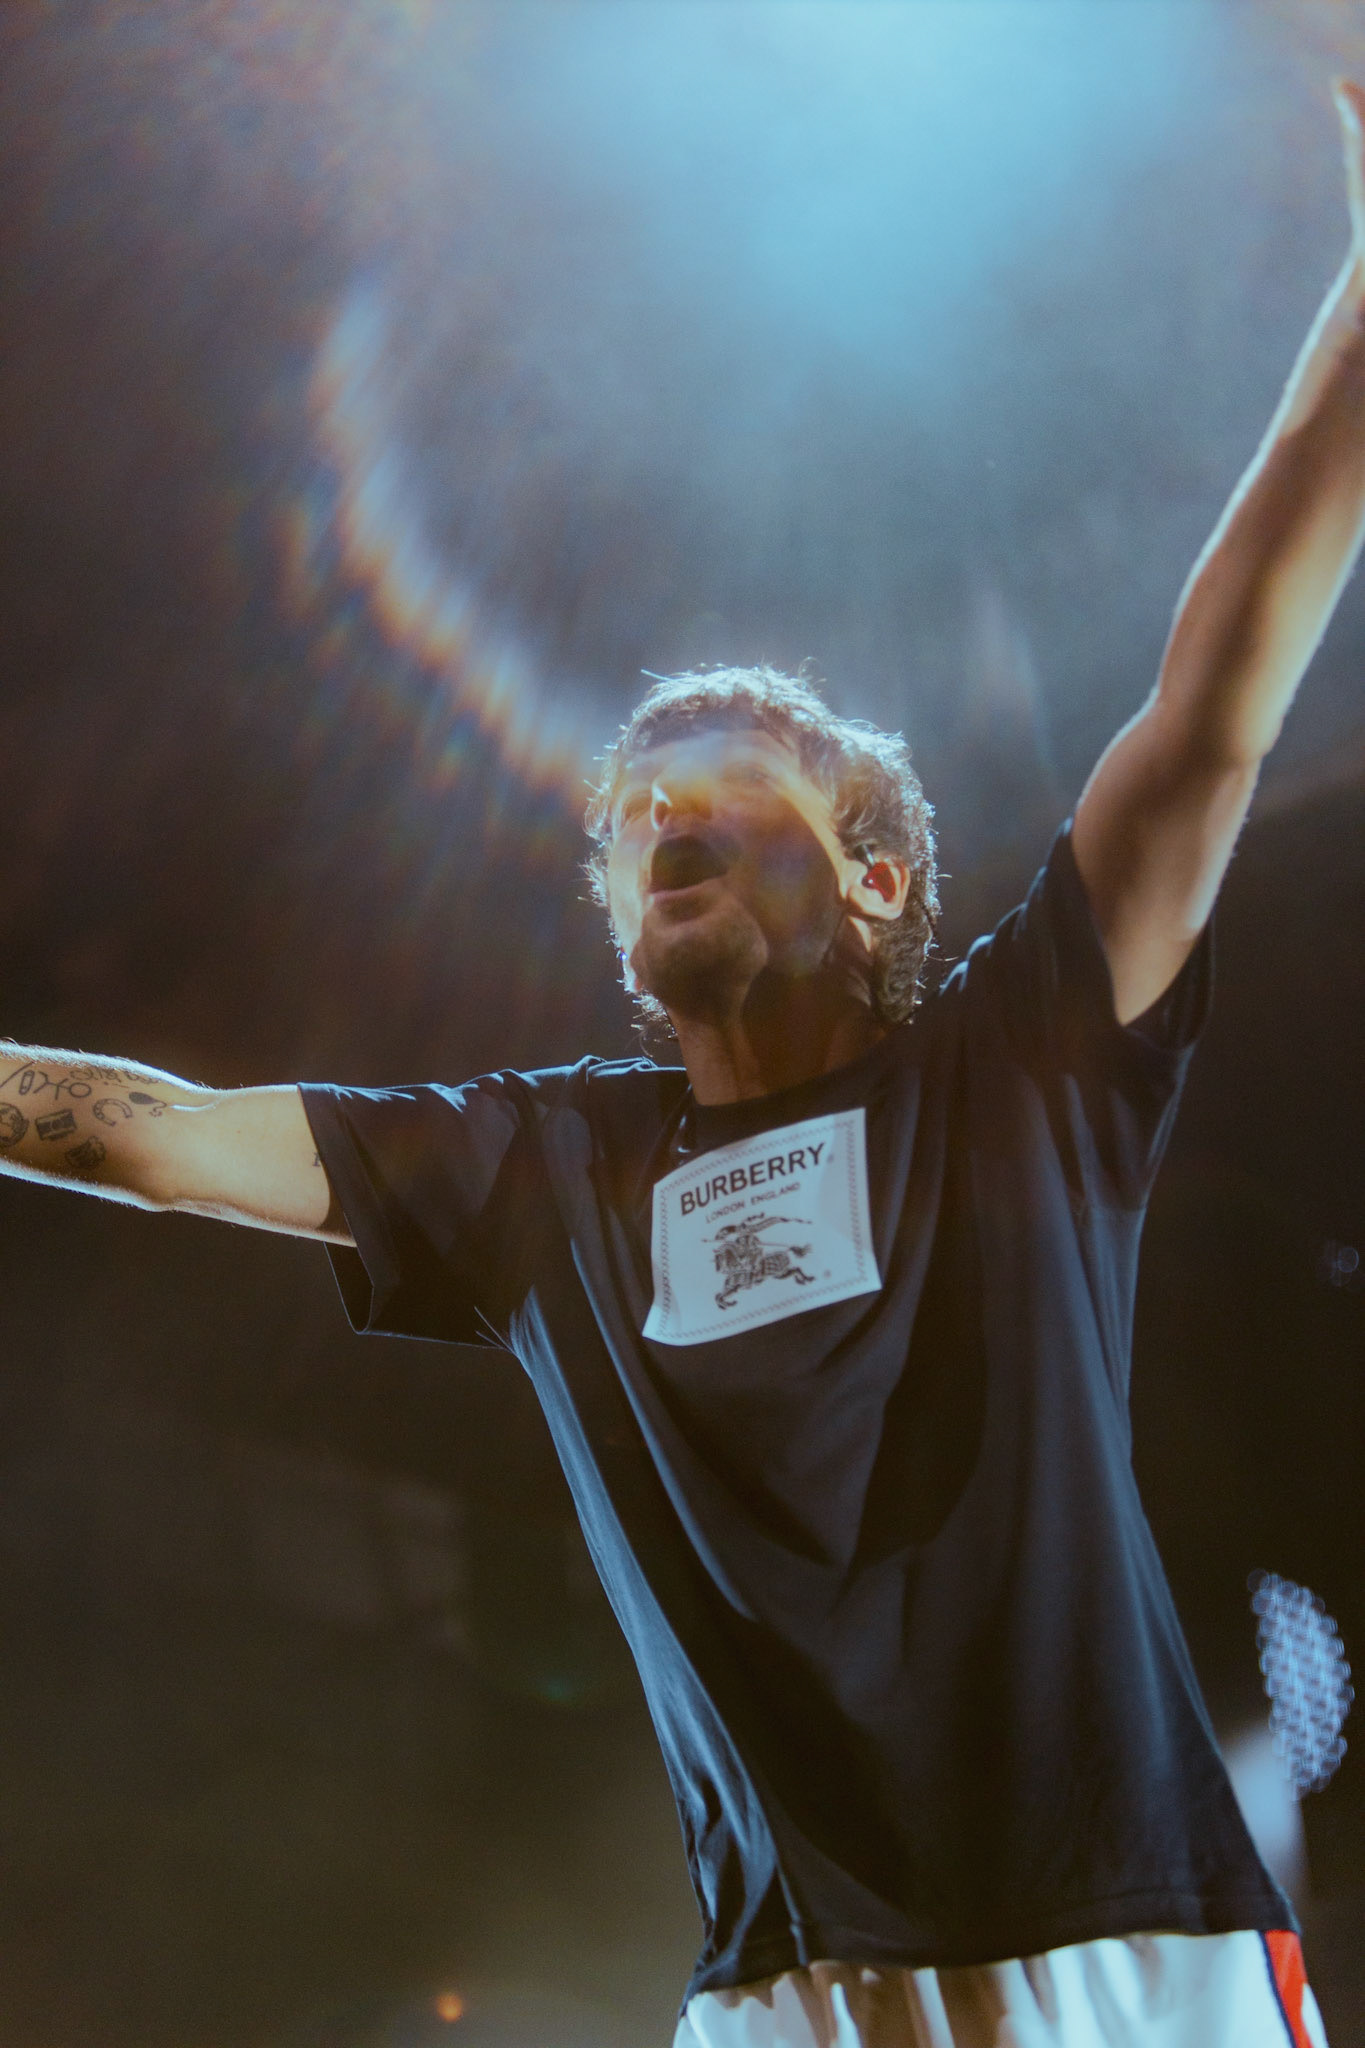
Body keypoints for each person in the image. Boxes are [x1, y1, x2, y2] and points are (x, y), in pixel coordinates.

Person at [5, 82, 1364, 2048]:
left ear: (872, 875)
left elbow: (1219, 696)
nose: (660, 826)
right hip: (795, 1991)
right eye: (636, 815)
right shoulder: (543, 1173)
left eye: (721, 790)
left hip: (1127, 1941)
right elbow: (152, 1135)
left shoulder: (1020, 1060)